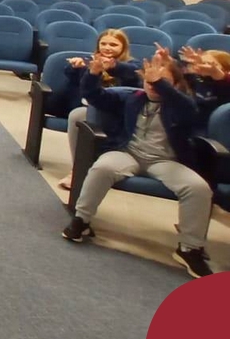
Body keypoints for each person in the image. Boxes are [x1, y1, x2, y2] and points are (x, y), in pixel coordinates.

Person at [63, 51, 213, 279]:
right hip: (129, 152)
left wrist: (159, 83)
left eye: (161, 81)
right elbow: (94, 97)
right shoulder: (132, 98)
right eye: (149, 80)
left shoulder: (182, 105)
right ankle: (81, 219)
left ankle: (190, 249)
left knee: (198, 188)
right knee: (102, 168)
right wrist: (92, 74)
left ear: (174, 85)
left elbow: (187, 108)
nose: (153, 85)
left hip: (165, 161)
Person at [56, 29, 140, 191]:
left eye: (113, 45)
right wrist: (76, 68)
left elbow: (132, 76)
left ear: (123, 47)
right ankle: (78, 170)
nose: (107, 48)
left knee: (82, 116)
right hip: (90, 108)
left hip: (119, 114)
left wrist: (112, 66)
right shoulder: (90, 61)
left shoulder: (133, 65)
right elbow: (78, 88)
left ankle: (88, 170)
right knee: (77, 115)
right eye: (103, 44)